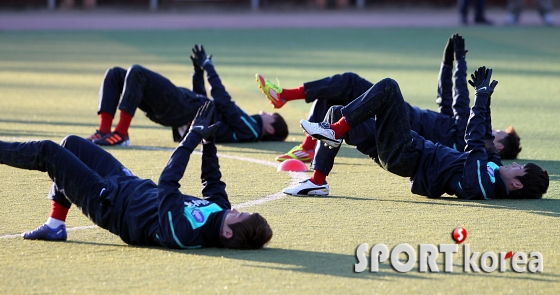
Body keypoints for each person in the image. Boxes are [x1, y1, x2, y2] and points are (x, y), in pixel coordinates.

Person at [8, 101, 273, 249]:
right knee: (72, 143)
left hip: (108, 204)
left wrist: (192, 137)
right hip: (127, 182)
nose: (236, 209)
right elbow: (212, 180)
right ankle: (55, 227)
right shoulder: (220, 210)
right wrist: (208, 143)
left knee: (47, 152)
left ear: (228, 233)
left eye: (239, 215)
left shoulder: (183, 234)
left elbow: (168, 183)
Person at [257, 34, 521, 178]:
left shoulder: (468, 136)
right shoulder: (456, 131)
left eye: (497, 133)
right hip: (403, 118)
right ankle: (307, 148)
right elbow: (446, 98)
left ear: (498, 145)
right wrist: (446, 63)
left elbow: (462, 100)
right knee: (339, 95)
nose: (491, 130)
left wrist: (460, 62)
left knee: (350, 82)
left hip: (399, 120)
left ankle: (285, 96)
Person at [297, 66, 549, 200]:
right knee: (336, 111)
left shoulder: (482, 186)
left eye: (520, 168)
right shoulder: (493, 171)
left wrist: (480, 99)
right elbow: (485, 139)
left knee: (388, 87)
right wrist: (486, 97)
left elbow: (473, 143)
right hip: (409, 149)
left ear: (516, 184)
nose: (514, 164)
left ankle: (333, 131)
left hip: (407, 155)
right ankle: (317, 182)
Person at [87, 44, 288, 146]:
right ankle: (105, 130)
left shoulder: (251, 130)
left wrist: (209, 68)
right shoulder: (242, 127)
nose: (263, 111)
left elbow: (223, 101)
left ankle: (121, 134)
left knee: (137, 72)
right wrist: (198, 72)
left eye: (269, 115)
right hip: (182, 110)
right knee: (116, 74)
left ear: (270, 128)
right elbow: (205, 103)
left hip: (181, 108)